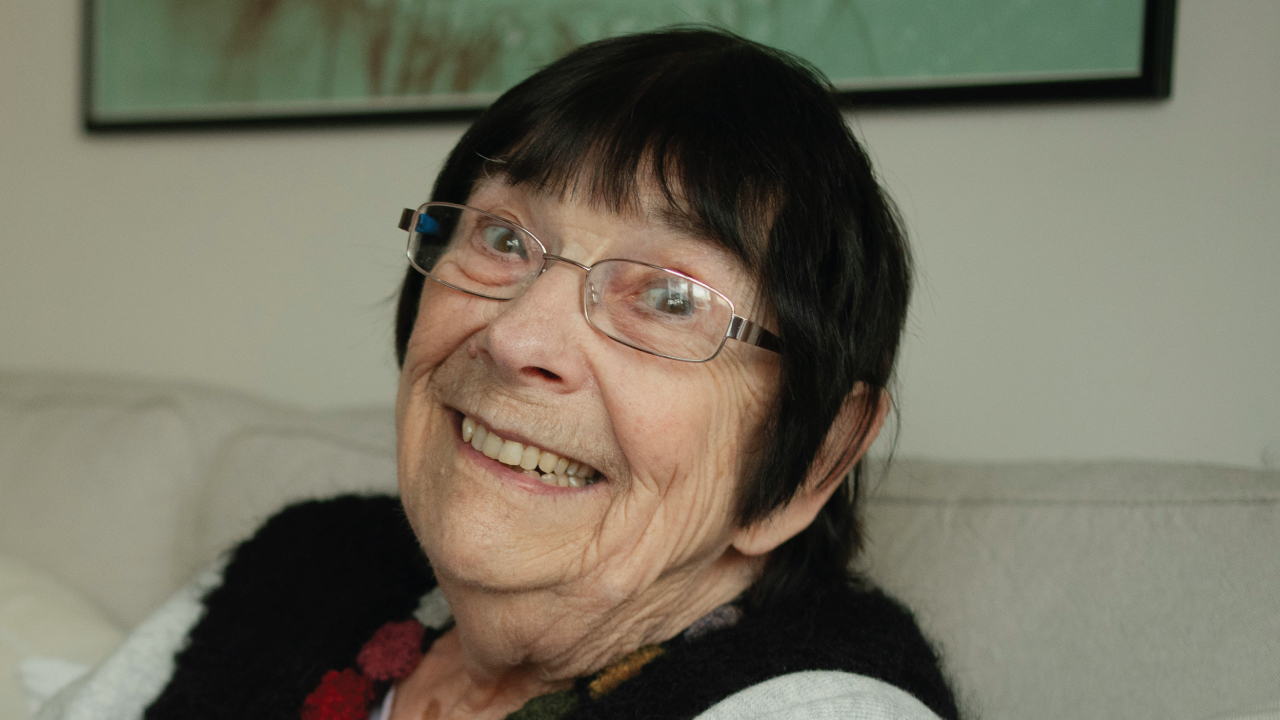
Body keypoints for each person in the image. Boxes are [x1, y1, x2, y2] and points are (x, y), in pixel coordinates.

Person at [58, 28, 960, 720]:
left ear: (818, 456)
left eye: (671, 298)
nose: (519, 335)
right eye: (501, 238)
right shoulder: (299, 573)